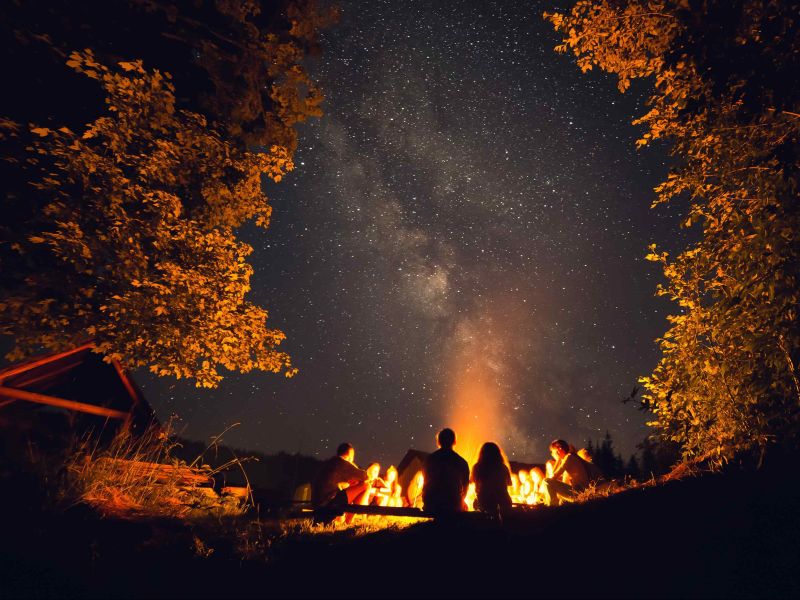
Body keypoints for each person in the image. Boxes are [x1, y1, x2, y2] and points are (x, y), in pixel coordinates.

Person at [311, 442, 371, 522]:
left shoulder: (331, 462)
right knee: (366, 485)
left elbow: (334, 484)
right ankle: (349, 520)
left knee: (354, 485)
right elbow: (365, 476)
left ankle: (342, 518)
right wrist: (351, 463)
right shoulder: (342, 463)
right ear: (350, 455)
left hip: (317, 504)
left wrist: (350, 483)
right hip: (328, 504)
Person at [422, 428, 470, 517]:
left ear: (439, 442)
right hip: (453, 505)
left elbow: (426, 483)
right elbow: (466, 486)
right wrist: (461, 501)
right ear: (454, 442)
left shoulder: (429, 460)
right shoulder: (461, 462)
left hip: (431, 504)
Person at [540, 439, 602, 506]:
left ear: (560, 449)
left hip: (579, 493)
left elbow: (554, 477)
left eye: (553, 452)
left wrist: (558, 460)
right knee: (561, 500)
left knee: (546, 481)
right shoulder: (572, 457)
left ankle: (552, 507)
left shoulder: (568, 458)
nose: (553, 455)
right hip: (580, 492)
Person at [470, 441, 513, 516]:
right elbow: (509, 484)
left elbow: (471, 482)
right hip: (503, 503)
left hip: (484, 503)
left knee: (476, 503)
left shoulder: (477, 467)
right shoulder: (503, 468)